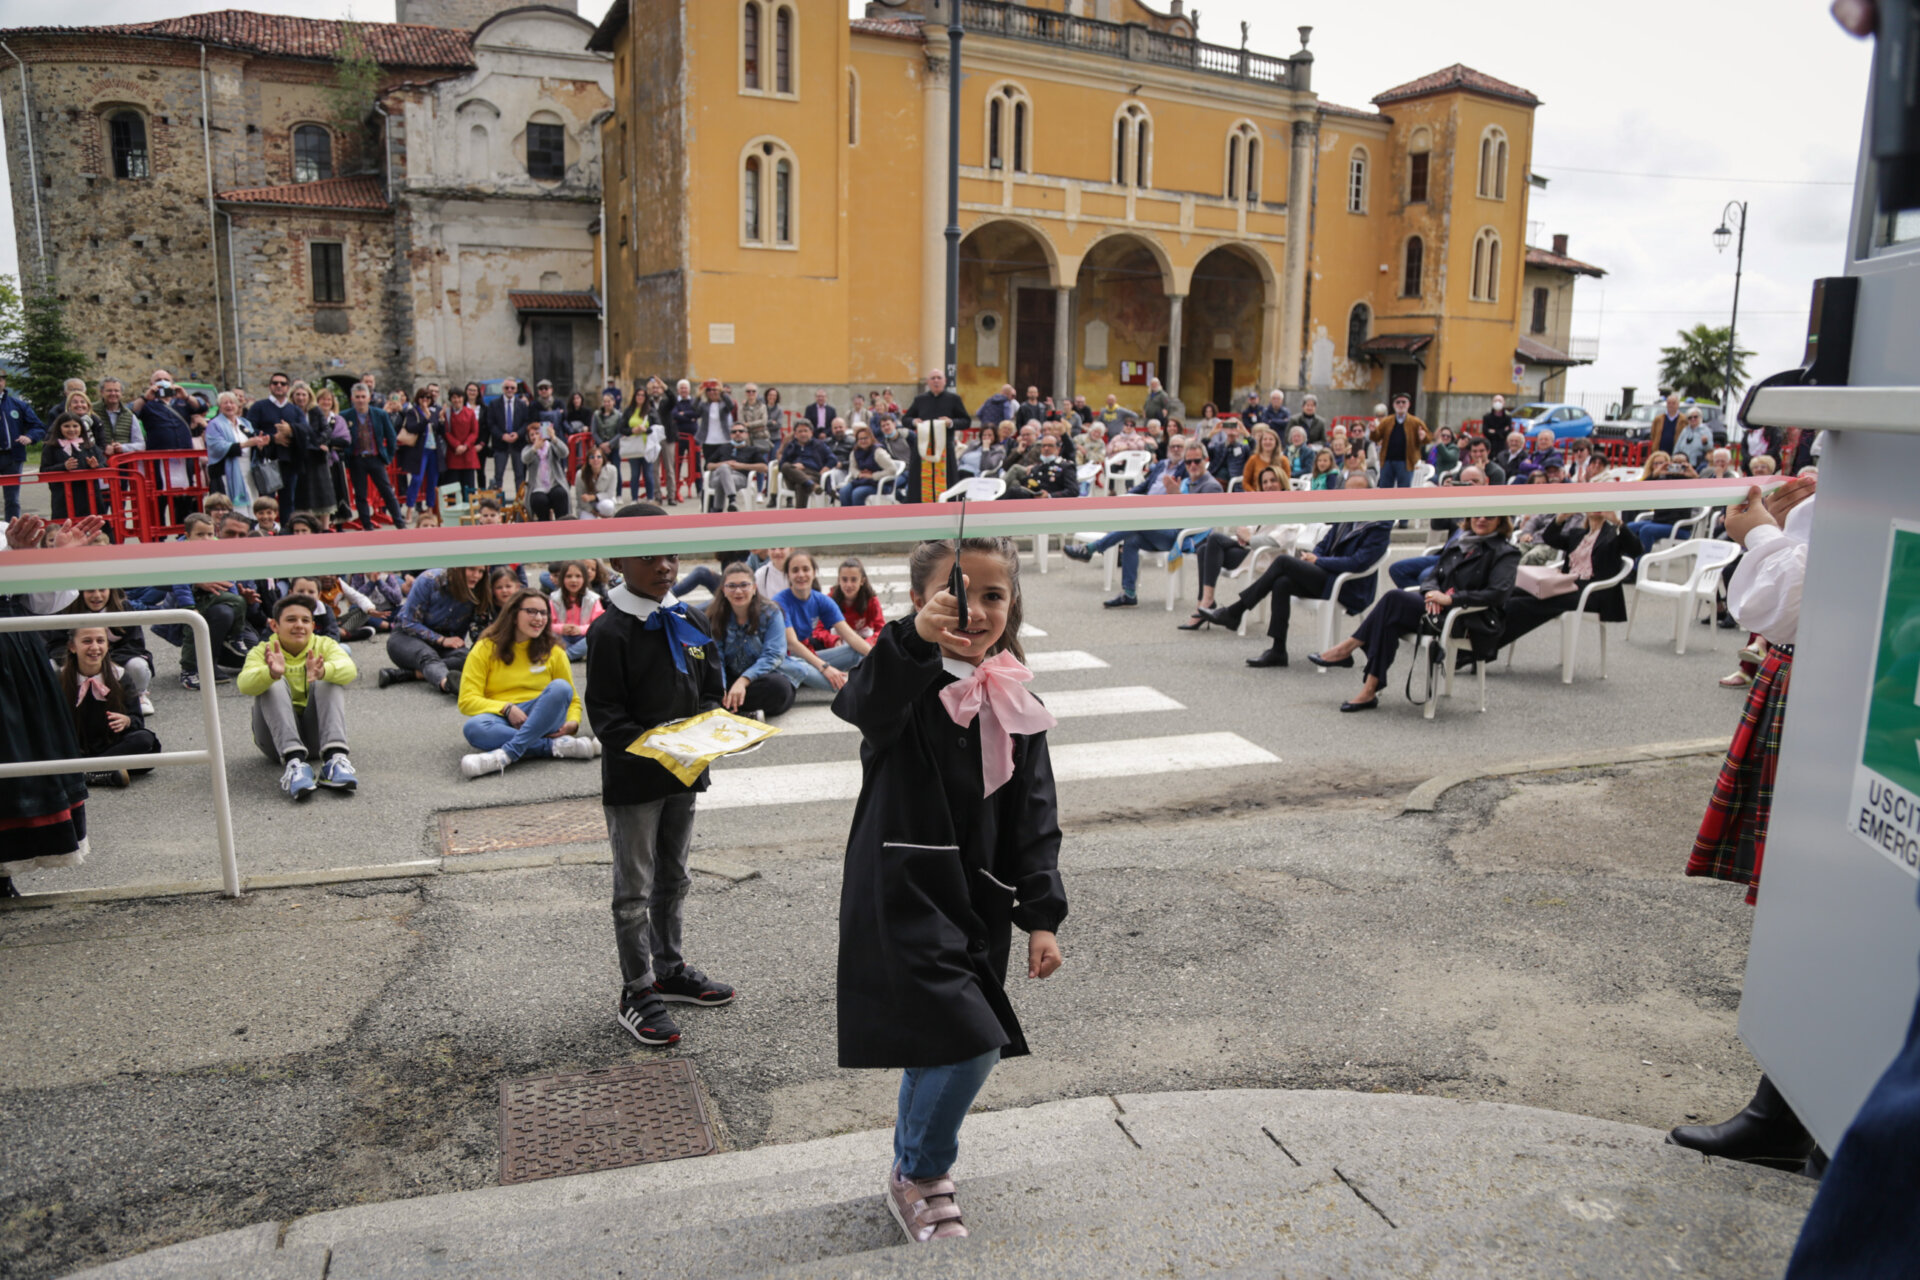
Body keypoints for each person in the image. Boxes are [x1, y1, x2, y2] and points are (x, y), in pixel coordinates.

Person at [833, 534, 1066, 1243]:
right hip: (904, 892)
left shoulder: (1017, 698)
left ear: (1012, 603)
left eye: (994, 596)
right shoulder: (902, 681)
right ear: (920, 600)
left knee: (937, 1044)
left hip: (979, 901)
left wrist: (1043, 915)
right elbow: (863, 706)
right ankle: (922, 1172)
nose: (975, 610)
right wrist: (906, 640)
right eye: (956, 595)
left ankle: (908, 1164)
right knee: (971, 1044)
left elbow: (1035, 816)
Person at [1668, 479, 1820, 1171]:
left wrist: (1762, 534)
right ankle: (1790, 1114)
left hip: (1838, 692)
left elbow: (1791, 607)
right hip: (1833, 690)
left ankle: (1799, 1120)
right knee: (1815, 913)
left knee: (1820, 910)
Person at [586, 507, 737, 1048]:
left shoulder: (691, 619)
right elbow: (605, 715)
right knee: (634, 889)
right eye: (648, 556)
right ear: (618, 560)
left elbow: (711, 686)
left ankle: (669, 968)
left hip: (685, 771)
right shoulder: (610, 630)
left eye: (671, 554)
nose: (664, 566)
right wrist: (657, 748)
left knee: (675, 877)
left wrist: (711, 725)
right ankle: (637, 988)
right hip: (636, 781)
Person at [1308, 514, 1521, 711]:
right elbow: (1433, 575)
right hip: (1438, 609)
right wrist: (1432, 593)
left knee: (1393, 600)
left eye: (1489, 517)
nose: (1481, 520)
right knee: (1389, 619)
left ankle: (1349, 651)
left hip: (1469, 618)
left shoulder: (1505, 553)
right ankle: (1367, 688)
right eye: (1477, 515)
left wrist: (1451, 599)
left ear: (1501, 522)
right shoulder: (1460, 542)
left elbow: (1497, 594)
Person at [1, 514, 106, 896]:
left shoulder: (3, 529)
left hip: (15, 657)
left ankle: (2, 870)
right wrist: (14, 555)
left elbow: (41, 603)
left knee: (20, 762)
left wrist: (51, 560)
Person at [1197, 475, 1392, 665]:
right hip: (1329, 575)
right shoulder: (1347, 517)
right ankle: (1278, 650)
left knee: (1283, 562)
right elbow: (1324, 544)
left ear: (1370, 494)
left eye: (1358, 492)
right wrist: (1313, 557)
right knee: (1282, 583)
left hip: (1348, 585)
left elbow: (1358, 563)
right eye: (1348, 492)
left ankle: (1235, 612)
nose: (1351, 496)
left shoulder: (1379, 525)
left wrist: (1319, 561)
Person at [456, 587, 597, 777]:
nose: (539, 618)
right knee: (474, 728)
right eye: (531, 611)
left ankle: (507, 754)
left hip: (545, 717)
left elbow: (570, 698)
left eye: (543, 613)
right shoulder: (485, 648)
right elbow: (467, 700)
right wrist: (507, 708)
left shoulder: (555, 651)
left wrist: (573, 723)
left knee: (560, 688)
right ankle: (554, 747)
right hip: (503, 718)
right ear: (513, 614)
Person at [1065, 441, 1220, 607]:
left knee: (1137, 522)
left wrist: (1177, 497)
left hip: (1184, 538)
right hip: (1168, 529)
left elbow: (1200, 521)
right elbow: (1171, 511)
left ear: (1206, 460)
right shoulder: (1186, 482)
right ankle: (1129, 592)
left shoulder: (1211, 486)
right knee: (1132, 539)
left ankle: (1093, 548)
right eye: (1189, 462)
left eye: (1197, 461)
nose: (1193, 465)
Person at [236, 592, 359, 800]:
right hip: (276, 744)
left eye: (305, 620)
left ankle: (334, 760)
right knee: (271, 681)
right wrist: (271, 673)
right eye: (291, 620)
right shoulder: (263, 650)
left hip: (318, 739)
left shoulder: (324, 645)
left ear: (313, 625)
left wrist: (323, 671)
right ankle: (295, 765)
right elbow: (244, 684)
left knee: (330, 678)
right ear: (275, 626)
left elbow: (350, 670)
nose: (299, 625)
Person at [1494, 512, 1642, 651]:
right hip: (1566, 585)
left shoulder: (1612, 534)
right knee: (1513, 592)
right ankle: (1485, 643)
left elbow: (1636, 550)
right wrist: (1560, 519)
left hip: (1593, 593)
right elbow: (1550, 538)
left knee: (1520, 604)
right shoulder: (1578, 535)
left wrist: (1617, 522)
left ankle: (1487, 649)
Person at [1177, 465, 1291, 625]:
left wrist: (1250, 539)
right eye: (1265, 482)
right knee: (1204, 548)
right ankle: (1205, 601)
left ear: (1282, 482)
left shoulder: (1290, 505)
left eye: (1273, 480)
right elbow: (1251, 529)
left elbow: (1279, 540)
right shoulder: (1265, 504)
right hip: (1250, 550)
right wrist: (1243, 535)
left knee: (1214, 540)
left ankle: (1205, 602)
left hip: (1265, 556)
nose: (1269, 485)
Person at [60, 625, 161, 789]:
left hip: (112, 746)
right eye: (87, 641)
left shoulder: (119, 676)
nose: (94, 647)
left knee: (145, 741)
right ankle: (102, 774)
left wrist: (127, 720)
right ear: (72, 647)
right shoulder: (61, 679)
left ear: (108, 645)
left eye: (100, 641)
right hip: (75, 748)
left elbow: (137, 720)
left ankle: (84, 773)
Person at [706, 562, 799, 720]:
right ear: (723, 590)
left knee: (780, 688)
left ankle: (725, 709)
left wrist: (744, 680)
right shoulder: (715, 616)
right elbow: (716, 658)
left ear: (754, 588)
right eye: (732, 586)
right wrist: (721, 688)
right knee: (704, 688)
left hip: (761, 678)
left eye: (744, 585)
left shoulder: (771, 612)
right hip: (730, 677)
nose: (738, 591)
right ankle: (736, 709)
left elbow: (773, 654)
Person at [776, 550, 873, 689]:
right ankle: (857, 687)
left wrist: (879, 657)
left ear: (814, 572)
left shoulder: (821, 600)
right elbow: (792, 644)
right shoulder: (780, 602)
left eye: (806, 569)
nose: (801, 574)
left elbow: (850, 636)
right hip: (786, 660)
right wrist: (825, 667)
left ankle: (810, 679)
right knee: (840, 684)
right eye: (795, 570)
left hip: (808, 657)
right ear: (788, 575)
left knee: (856, 651)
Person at [381, 565, 484, 693]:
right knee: (427, 655)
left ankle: (408, 674)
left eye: (481, 571)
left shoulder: (480, 589)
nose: (477, 576)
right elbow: (409, 622)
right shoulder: (429, 580)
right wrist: (441, 640)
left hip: (444, 647)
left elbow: (477, 628)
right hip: (406, 637)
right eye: (472, 569)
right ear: (457, 567)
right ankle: (447, 684)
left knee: (469, 658)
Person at [52, 588, 156, 714]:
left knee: (137, 666)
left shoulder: (123, 608)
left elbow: (134, 643)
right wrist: (79, 659)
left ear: (111, 591)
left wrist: (104, 661)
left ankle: (138, 695)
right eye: (90, 591)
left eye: (102, 590)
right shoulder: (67, 610)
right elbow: (55, 644)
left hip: (116, 661)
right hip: (77, 661)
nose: (97, 595)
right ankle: (58, 699)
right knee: (50, 665)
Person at [341, 382, 404, 528]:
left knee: (387, 491)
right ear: (352, 398)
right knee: (361, 495)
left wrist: (388, 457)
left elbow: (391, 436)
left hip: (376, 458)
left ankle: (400, 523)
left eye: (363, 396)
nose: (361, 400)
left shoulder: (379, 414)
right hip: (357, 459)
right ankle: (367, 526)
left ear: (369, 398)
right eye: (358, 397)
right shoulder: (345, 416)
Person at [903, 371, 970, 486]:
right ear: (928, 382)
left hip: (944, 449)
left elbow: (966, 421)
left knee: (946, 483)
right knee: (920, 484)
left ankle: (946, 504)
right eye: (932, 378)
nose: (936, 381)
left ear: (945, 381)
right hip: (923, 448)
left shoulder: (954, 399)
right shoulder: (920, 399)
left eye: (939, 378)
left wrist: (951, 422)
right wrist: (914, 422)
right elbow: (905, 419)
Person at [43, 413, 108, 520]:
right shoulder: (51, 447)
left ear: (81, 428)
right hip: (63, 497)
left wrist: (96, 466)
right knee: (65, 526)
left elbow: (104, 465)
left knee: (96, 526)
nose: (71, 429)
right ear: (59, 428)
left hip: (90, 496)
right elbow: (44, 471)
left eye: (75, 426)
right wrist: (63, 467)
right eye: (66, 426)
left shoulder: (90, 446)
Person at [397, 387, 444, 514]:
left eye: (428, 397)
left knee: (433, 480)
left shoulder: (435, 411)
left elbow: (439, 431)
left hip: (433, 449)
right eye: (423, 397)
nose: (425, 400)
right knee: (417, 479)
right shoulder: (413, 412)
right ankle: (410, 509)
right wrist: (425, 418)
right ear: (418, 399)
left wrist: (441, 421)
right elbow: (412, 428)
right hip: (419, 451)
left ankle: (430, 509)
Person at [485, 378, 533, 496]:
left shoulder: (522, 405)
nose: (509, 390)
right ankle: (497, 504)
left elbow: (526, 422)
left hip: (518, 444)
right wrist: (502, 435)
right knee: (498, 475)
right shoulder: (494, 404)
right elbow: (490, 423)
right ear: (503, 389)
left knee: (520, 475)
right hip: (500, 444)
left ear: (516, 390)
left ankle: (520, 503)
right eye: (507, 388)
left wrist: (518, 434)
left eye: (512, 388)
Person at [1371, 393, 1428, 490]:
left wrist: (1423, 437)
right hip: (1387, 461)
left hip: (1406, 462)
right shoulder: (1387, 421)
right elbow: (1376, 438)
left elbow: (1428, 438)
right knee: (1385, 489)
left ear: (1408, 404)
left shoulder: (1415, 421)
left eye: (1403, 402)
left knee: (1404, 490)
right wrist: (1373, 431)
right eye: (1398, 402)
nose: (1401, 405)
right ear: (1394, 405)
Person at [707, 423, 769, 512]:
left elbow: (764, 467)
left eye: (741, 431)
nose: (737, 433)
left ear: (746, 434)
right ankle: (732, 500)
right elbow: (709, 465)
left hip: (739, 478)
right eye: (734, 431)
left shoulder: (752, 450)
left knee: (723, 478)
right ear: (730, 435)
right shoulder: (723, 448)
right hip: (717, 477)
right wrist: (724, 464)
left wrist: (741, 466)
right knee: (724, 469)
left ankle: (717, 510)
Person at [998, 431, 1075, 500]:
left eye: (1050, 446)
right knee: (1014, 487)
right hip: (1030, 498)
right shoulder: (1038, 467)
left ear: (1058, 449)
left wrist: (1049, 495)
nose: (1046, 448)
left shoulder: (1066, 466)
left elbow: (1073, 490)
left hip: (1048, 504)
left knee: (1015, 492)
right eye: (1043, 446)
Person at [550, 561, 603, 660]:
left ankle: (566, 656)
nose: (573, 580)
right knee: (548, 637)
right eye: (569, 576)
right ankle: (573, 655)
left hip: (582, 638)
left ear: (585, 579)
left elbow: (598, 625)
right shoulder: (554, 598)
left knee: (596, 638)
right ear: (562, 579)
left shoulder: (593, 599)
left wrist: (580, 629)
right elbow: (547, 625)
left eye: (578, 576)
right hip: (562, 637)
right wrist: (562, 628)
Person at [838, 423, 900, 506]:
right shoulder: (854, 452)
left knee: (857, 493)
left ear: (871, 438)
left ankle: (861, 517)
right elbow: (852, 468)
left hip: (880, 483)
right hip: (862, 481)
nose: (863, 441)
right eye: (860, 439)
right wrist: (859, 474)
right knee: (844, 491)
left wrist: (872, 476)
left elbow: (892, 470)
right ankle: (848, 517)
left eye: (865, 438)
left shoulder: (878, 452)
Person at [778, 421, 836, 508]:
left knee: (801, 485)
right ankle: (811, 485)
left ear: (811, 433)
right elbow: (781, 465)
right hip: (793, 477)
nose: (803, 434)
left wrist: (825, 469)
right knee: (785, 466)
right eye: (800, 431)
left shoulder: (819, 445)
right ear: (795, 434)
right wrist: (794, 466)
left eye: (805, 431)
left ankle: (799, 518)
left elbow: (833, 459)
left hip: (813, 474)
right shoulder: (791, 446)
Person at [521, 421, 571, 521]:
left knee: (560, 494)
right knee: (539, 500)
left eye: (537, 433)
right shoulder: (529, 449)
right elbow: (525, 459)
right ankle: (545, 525)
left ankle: (563, 523)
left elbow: (565, 453)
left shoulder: (551, 446)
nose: (535, 436)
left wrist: (554, 438)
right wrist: (535, 448)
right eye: (532, 435)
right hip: (538, 488)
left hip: (554, 484)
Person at [829, 558, 887, 643]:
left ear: (862, 581)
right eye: (844, 579)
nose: (848, 585)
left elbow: (881, 629)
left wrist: (869, 641)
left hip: (863, 639)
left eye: (854, 580)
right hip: (839, 641)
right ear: (839, 580)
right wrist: (833, 640)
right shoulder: (830, 599)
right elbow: (819, 629)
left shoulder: (871, 600)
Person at [443, 387, 481, 497]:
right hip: (454, 453)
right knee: (453, 489)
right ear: (450, 399)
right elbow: (446, 432)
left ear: (463, 398)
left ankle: (470, 512)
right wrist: (456, 445)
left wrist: (465, 445)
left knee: (469, 488)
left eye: (459, 397)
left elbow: (474, 432)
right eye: (454, 397)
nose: (457, 400)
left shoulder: (470, 413)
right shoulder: (447, 414)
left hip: (467, 454)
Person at [575, 447, 619, 519]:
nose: (596, 459)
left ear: (603, 459)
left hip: (604, 501)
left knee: (608, 506)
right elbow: (580, 500)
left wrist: (593, 497)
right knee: (587, 523)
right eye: (592, 457)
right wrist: (594, 512)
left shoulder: (612, 470)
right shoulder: (580, 474)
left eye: (599, 457)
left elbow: (610, 493)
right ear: (588, 461)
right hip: (587, 506)